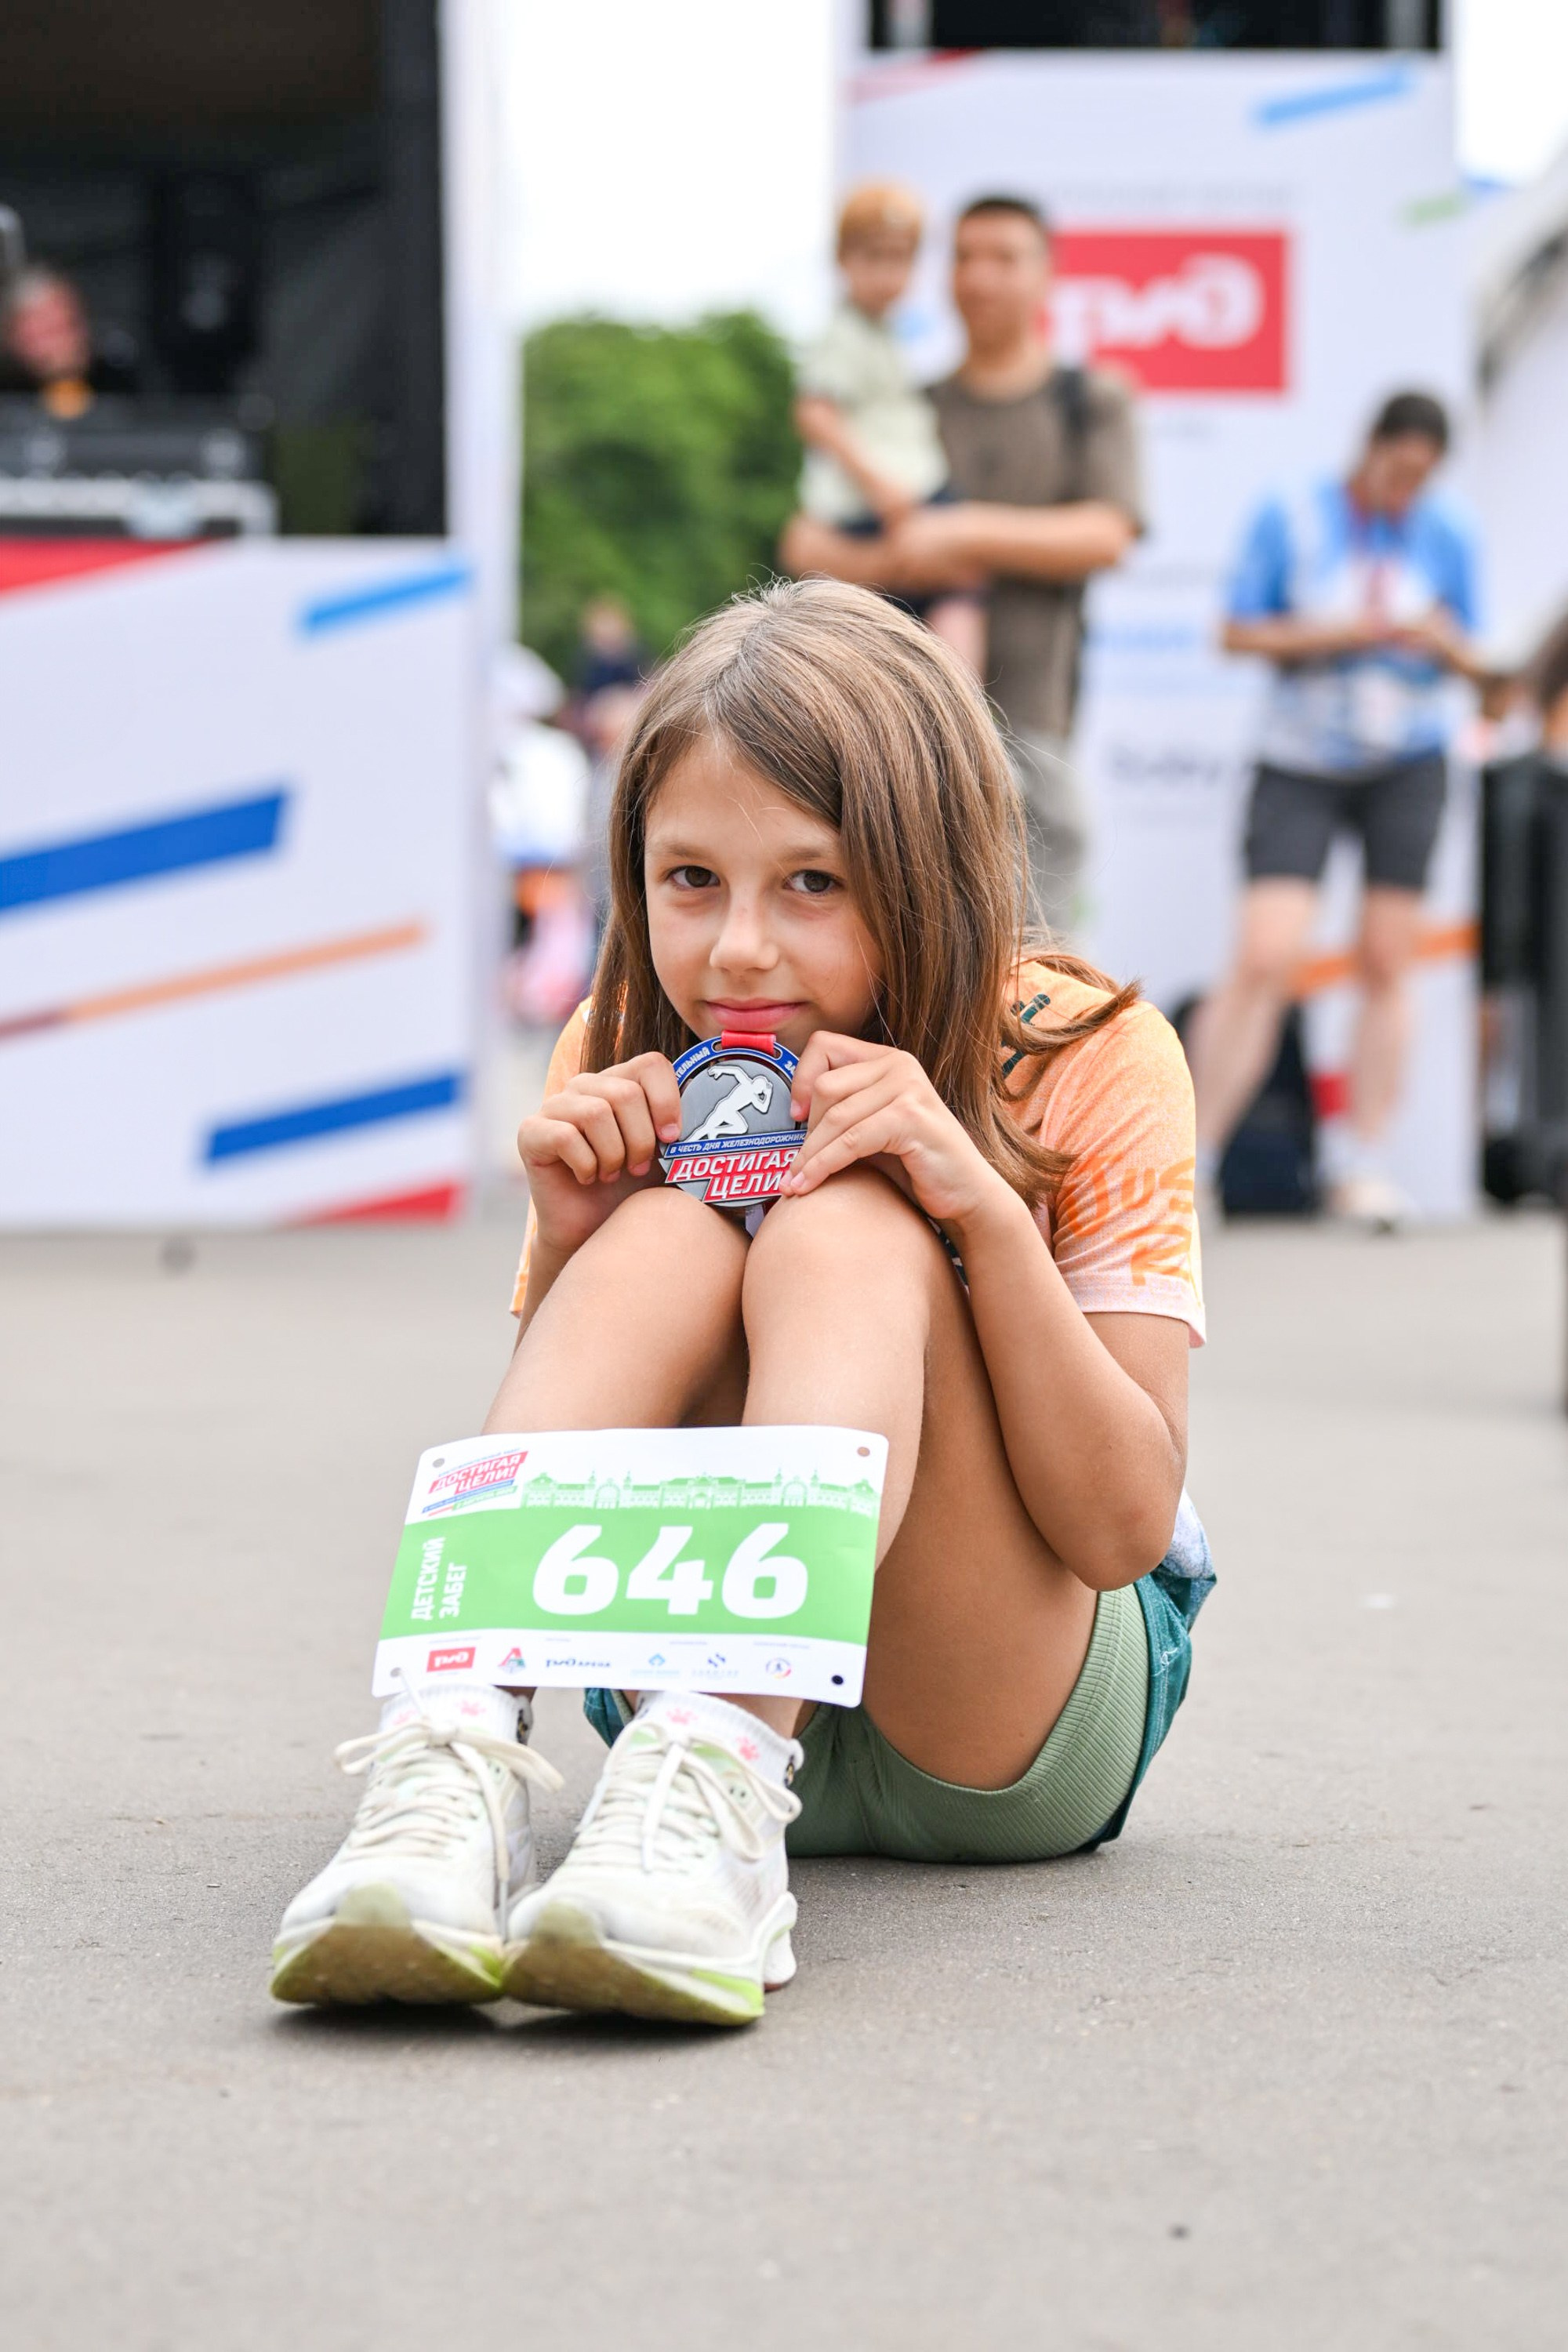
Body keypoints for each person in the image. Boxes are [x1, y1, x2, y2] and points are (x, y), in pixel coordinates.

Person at [270, 580, 1213, 2027]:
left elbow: (1123, 1526)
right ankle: (450, 1761)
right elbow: (578, 1456)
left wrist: (970, 1207)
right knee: (672, 1232)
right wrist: (577, 1237)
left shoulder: (1084, 1050)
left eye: (813, 884)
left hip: (1004, 1726)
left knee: (847, 1219)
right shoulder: (627, 1044)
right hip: (666, 1690)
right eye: (690, 879)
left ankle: (721, 1779)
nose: (738, 954)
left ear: (937, 880)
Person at [782, 195, 1144, 938]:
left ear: (1048, 275)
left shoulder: (1089, 401)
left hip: (1032, 728)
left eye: (1004, 257)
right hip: (899, 742)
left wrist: (960, 532)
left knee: (1032, 969)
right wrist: (900, 554)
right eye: (963, 256)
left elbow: (1106, 535)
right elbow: (805, 545)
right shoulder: (905, 406)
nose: (978, 276)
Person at [1189, 391, 1484, 1230]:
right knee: (1263, 955)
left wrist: (1440, 646)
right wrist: (1339, 633)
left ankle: (1363, 1162)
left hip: (1408, 759)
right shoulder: (1291, 512)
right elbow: (1236, 631)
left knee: (1390, 958)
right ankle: (1194, 1164)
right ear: (1371, 446)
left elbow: (1478, 662)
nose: (1405, 489)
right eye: (1397, 470)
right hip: (1299, 759)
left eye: (1420, 479)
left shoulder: (1447, 531)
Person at [791, 180, 985, 673]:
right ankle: (959, 711)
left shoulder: (886, 334)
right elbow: (815, 413)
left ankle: (956, 708)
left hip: (904, 491)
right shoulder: (843, 334)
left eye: (900, 259)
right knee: (951, 595)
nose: (888, 274)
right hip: (876, 500)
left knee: (946, 601)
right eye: (873, 257)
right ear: (843, 259)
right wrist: (879, 484)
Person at [0, 264, 138, 416]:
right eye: (46, 333)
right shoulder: (8, 401)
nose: (62, 343)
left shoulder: (123, 383)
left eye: (68, 326)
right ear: (14, 340)